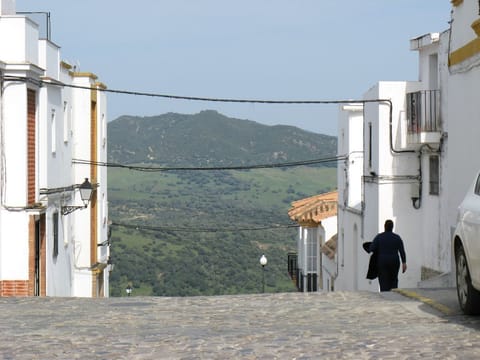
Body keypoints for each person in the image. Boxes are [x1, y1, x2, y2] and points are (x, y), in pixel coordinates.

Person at [369, 219, 407, 291]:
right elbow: (402, 251)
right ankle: (393, 295)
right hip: (394, 261)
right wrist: (404, 263)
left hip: (382, 261)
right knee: (394, 280)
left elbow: (371, 248)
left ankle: (385, 296)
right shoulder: (397, 237)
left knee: (383, 281)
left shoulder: (379, 237)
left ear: (384, 227)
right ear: (392, 227)